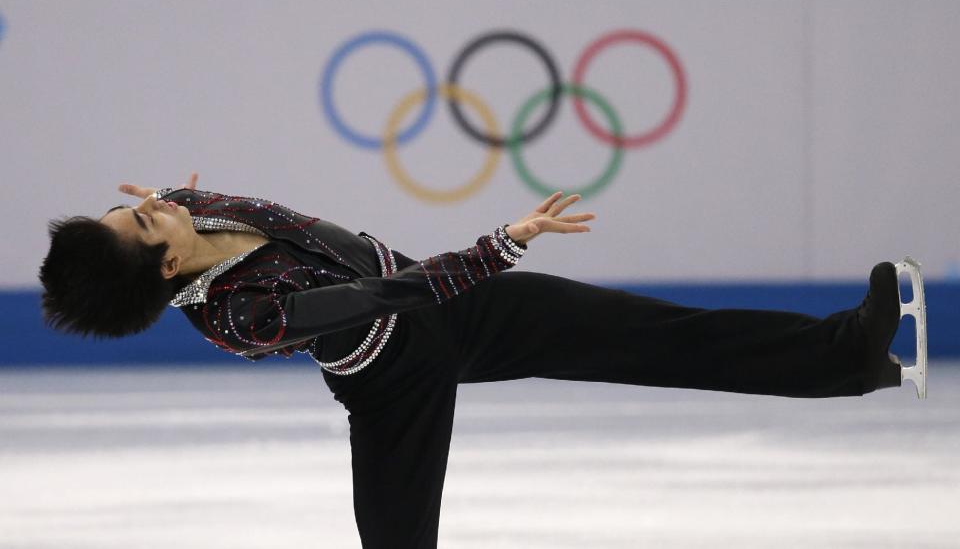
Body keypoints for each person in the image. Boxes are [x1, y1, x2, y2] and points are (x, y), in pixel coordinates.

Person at [38, 172, 906, 549]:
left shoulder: (184, 212)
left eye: (139, 204)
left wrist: (150, 216)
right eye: (148, 221)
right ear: (163, 268)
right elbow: (390, 298)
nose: (155, 202)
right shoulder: (244, 315)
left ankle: (849, 352)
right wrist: (503, 242)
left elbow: (162, 214)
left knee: (655, 332)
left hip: (453, 308)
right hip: (393, 379)